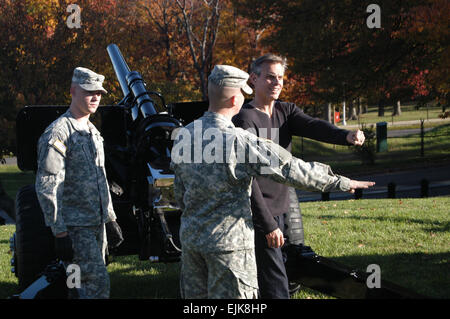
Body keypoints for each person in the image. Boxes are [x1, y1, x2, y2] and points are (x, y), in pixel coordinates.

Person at [170, 64, 374, 299]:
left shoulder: (183, 135)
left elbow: (180, 192)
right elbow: (291, 170)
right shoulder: (239, 141)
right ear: (235, 99)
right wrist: (341, 182)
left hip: (192, 243)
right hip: (229, 248)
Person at [232, 53, 366, 299]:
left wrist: (344, 136)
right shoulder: (244, 119)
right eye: (270, 77)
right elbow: (246, 181)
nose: (277, 83)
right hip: (259, 211)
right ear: (254, 79)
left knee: (280, 270)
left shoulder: (285, 110)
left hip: (282, 207)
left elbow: (313, 125)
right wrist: (268, 224)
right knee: (274, 281)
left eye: (281, 78)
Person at [35, 67, 123, 299]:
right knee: (96, 283)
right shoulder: (58, 133)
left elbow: (101, 178)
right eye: (89, 92)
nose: (95, 97)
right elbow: (48, 184)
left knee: (78, 285)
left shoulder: (92, 131)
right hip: (75, 227)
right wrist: (60, 232)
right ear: (73, 91)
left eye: (99, 93)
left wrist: (110, 218)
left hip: (96, 223)